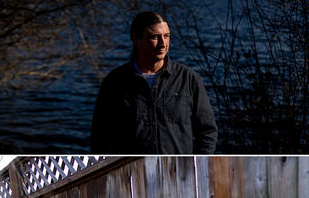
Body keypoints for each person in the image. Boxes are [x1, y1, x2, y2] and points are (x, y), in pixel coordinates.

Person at [91, 11, 217, 153]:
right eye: (154, 37)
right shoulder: (115, 82)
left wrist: (195, 166)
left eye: (166, 36)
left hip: (178, 172)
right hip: (132, 171)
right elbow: (100, 137)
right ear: (135, 38)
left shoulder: (188, 79)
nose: (163, 44)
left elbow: (207, 132)